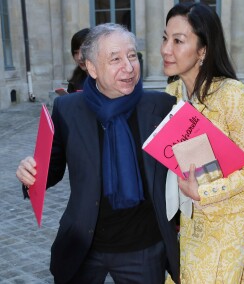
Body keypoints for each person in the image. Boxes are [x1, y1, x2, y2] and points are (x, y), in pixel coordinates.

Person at [16, 23, 179, 284]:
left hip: (143, 248)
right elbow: (50, 171)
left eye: (132, 55)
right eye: (115, 59)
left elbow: (187, 171)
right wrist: (29, 173)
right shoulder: (67, 109)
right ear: (91, 68)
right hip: (84, 245)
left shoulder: (161, 107)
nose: (128, 67)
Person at [160, 2, 244, 284]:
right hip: (187, 221)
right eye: (165, 38)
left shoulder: (231, 94)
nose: (165, 49)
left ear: (203, 50)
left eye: (178, 41)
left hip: (229, 223)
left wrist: (205, 192)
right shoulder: (171, 92)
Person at [67, 28, 90, 93]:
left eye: (84, 51)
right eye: (76, 52)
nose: (80, 57)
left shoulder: (106, 80)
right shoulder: (74, 82)